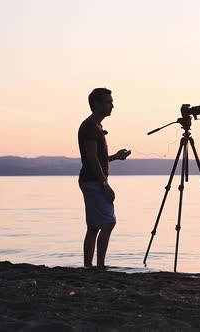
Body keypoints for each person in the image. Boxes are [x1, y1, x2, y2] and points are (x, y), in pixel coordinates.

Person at [78, 88, 131, 269]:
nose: (112, 106)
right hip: (93, 181)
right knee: (108, 222)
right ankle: (99, 266)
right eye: (108, 102)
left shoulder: (95, 126)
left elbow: (95, 158)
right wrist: (104, 184)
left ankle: (89, 266)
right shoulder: (90, 126)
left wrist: (115, 157)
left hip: (91, 180)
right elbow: (91, 158)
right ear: (97, 104)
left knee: (94, 226)